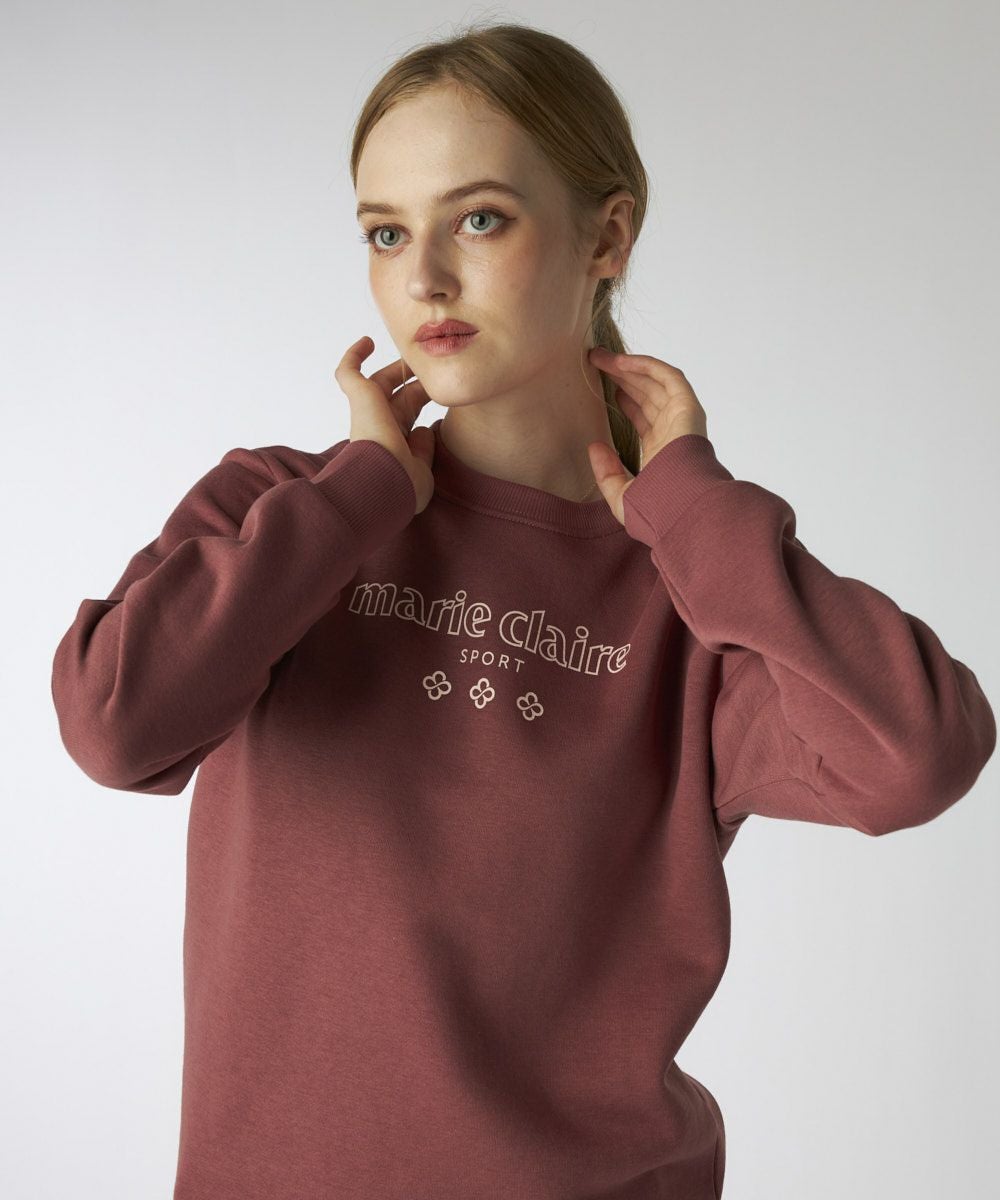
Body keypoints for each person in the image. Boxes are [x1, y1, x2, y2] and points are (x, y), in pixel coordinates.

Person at [50, 20, 996, 1200]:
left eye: (479, 219)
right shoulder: (279, 517)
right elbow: (117, 727)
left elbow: (914, 758)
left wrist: (695, 508)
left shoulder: (693, 597)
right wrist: (354, 499)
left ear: (608, 235)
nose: (423, 279)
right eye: (386, 232)